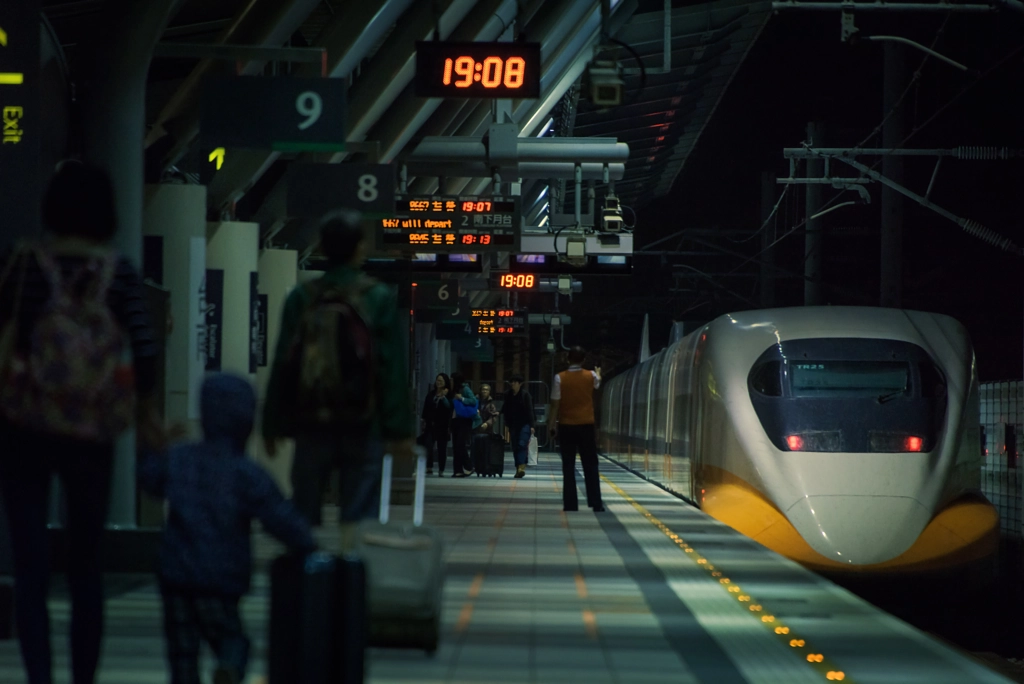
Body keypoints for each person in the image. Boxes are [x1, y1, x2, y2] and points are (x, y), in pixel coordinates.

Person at [0, 160, 160, 684]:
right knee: (86, 565)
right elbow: (144, 351)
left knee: (30, 565)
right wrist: (146, 416)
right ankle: (83, 678)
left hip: (26, 425)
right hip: (93, 429)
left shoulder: (24, 264)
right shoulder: (119, 273)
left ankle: (40, 674)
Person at [139, 374, 316, 684]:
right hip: (219, 580)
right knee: (231, 639)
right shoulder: (245, 473)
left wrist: (155, 449)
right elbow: (278, 516)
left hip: (175, 576)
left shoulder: (180, 458)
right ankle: (229, 668)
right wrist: (307, 544)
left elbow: (150, 480)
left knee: (182, 655)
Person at [262, 209, 415, 541]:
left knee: (305, 511)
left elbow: (283, 363)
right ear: (360, 247)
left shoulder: (302, 298)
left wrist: (272, 423)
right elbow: (390, 369)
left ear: (321, 247)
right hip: (364, 423)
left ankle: (307, 580)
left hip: (311, 421)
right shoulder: (377, 297)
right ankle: (351, 579)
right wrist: (400, 431)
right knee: (359, 515)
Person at [548, 346, 604, 512]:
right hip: (586, 426)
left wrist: (552, 425)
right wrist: (598, 372)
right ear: (583, 360)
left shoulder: (560, 378)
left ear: (567, 359)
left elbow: (555, 404)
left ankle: (570, 504)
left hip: (566, 426)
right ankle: (596, 503)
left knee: (568, 465)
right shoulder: (590, 375)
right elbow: (598, 384)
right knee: (591, 465)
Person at [500, 374, 536, 479]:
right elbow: (505, 407)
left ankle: (521, 468)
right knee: (515, 446)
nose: (512, 384)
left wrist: (532, 425)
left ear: (519, 384)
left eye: (515, 382)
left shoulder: (525, 395)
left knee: (522, 444)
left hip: (525, 424)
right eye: (511, 382)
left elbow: (530, 410)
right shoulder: (508, 395)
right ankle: (518, 468)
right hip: (513, 424)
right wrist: (500, 414)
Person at [421, 373, 452, 476]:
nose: (438, 383)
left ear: (445, 383)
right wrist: (423, 420)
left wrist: (443, 397)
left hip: (442, 425)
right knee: (428, 445)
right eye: (437, 380)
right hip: (430, 424)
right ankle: (429, 466)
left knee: (441, 448)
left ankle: (441, 469)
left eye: (441, 381)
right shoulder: (431, 394)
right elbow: (426, 408)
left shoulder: (448, 395)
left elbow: (449, 408)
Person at [449, 372, 478, 478]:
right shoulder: (451, 390)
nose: (450, 381)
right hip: (455, 420)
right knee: (456, 446)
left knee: (460, 444)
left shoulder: (465, 389)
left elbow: (473, 401)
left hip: (464, 420)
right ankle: (458, 470)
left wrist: (461, 398)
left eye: (452, 379)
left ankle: (469, 466)